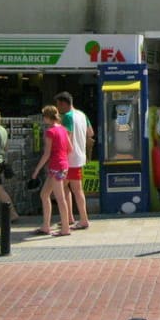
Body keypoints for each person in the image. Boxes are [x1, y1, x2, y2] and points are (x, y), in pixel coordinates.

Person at [55, 91, 94, 230]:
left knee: (75, 189)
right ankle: (69, 217)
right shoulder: (82, 115)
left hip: (70, 158)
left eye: (58, 105)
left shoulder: (67, 117)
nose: (57, 109)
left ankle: (83, 219)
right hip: (80, 156)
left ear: (64, 103)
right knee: (68, 187)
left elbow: (66, 137)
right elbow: (91, 133)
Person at [31, 105, 71, 237]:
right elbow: (70, 148)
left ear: (48, 117)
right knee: (44, 194)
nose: (43, 119)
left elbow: (46, 153)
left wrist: (37, 170)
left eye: (44, 116)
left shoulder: (50, 132)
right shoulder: (63, 130)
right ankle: (46, 226)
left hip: (55, 166)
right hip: (63, 165)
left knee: (60, 198)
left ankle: (65, 228)